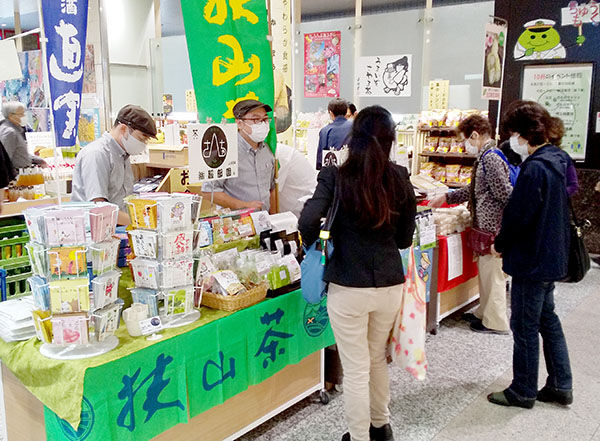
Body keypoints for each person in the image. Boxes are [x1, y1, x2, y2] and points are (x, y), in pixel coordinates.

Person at [299, 105, 416, 441]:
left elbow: (308, 220)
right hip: (389, 283)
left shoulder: (335, 175)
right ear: (390, 139)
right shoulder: (400, 177)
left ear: (354, 137)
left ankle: (359, 436)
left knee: (355, 367)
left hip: (348, 284)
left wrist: (316, 243)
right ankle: (382, 427)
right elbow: (404, 239)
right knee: (376, 357)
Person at [488, 100, 573, 409]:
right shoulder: (558, 159)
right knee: (548, 320)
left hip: (531, 259)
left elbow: (519, 216)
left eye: (514, 134)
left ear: (524, 134)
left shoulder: (535, 168)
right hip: (552, 255)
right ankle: (561, 384)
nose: (513, 140)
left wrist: (500, 244)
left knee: (524, 326)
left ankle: (523, 390)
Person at [429, 115, 512, 334]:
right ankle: (484, 312)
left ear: (474, 135)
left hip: (492, 227)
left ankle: (495, 322)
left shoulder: (491, 158)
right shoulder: (485, 156)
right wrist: (447, 197)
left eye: (464, 140)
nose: (464, 145)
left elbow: (505, 194)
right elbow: (474, 190)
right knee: (485, 273)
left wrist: (502, 229)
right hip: (486, 226)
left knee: (493, 275)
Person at [71, 104, 156, 225]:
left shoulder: (123, 155)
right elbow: (99, 207)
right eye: (141, 138)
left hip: (116, 226)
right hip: (94, 229)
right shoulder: (97, 154)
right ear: (123, 129)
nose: (143, 144)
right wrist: (140, 222)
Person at [201, 99, 276, 213]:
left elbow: (271, 188)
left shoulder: (266, 150)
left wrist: (273, 217)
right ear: (239, 123)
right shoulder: (224, 151)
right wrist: (243, 206)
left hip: (264, 219)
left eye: (265, 119)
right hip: (236, 220)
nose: (262, 124)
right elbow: (209, 191)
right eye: (256, 119)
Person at [0, 102, 46, 171]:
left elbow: (19, 154)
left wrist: (38, 160)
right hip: (18, 174)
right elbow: (6, 159)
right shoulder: (9, 133)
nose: (24, 116)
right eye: (21, 114)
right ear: (11, 116)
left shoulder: (15, 130)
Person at [275, 143, 317, 218]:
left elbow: (271, 193)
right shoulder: (278, 151)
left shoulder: (280, 155)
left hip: (300, 210)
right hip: (292, 210)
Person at [316, 98, 353, 169]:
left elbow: (321, 159)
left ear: (331, 113)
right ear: (346, 111)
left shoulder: (325, 131)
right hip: (354, 169)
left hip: (334, 170)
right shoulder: (356, 126)